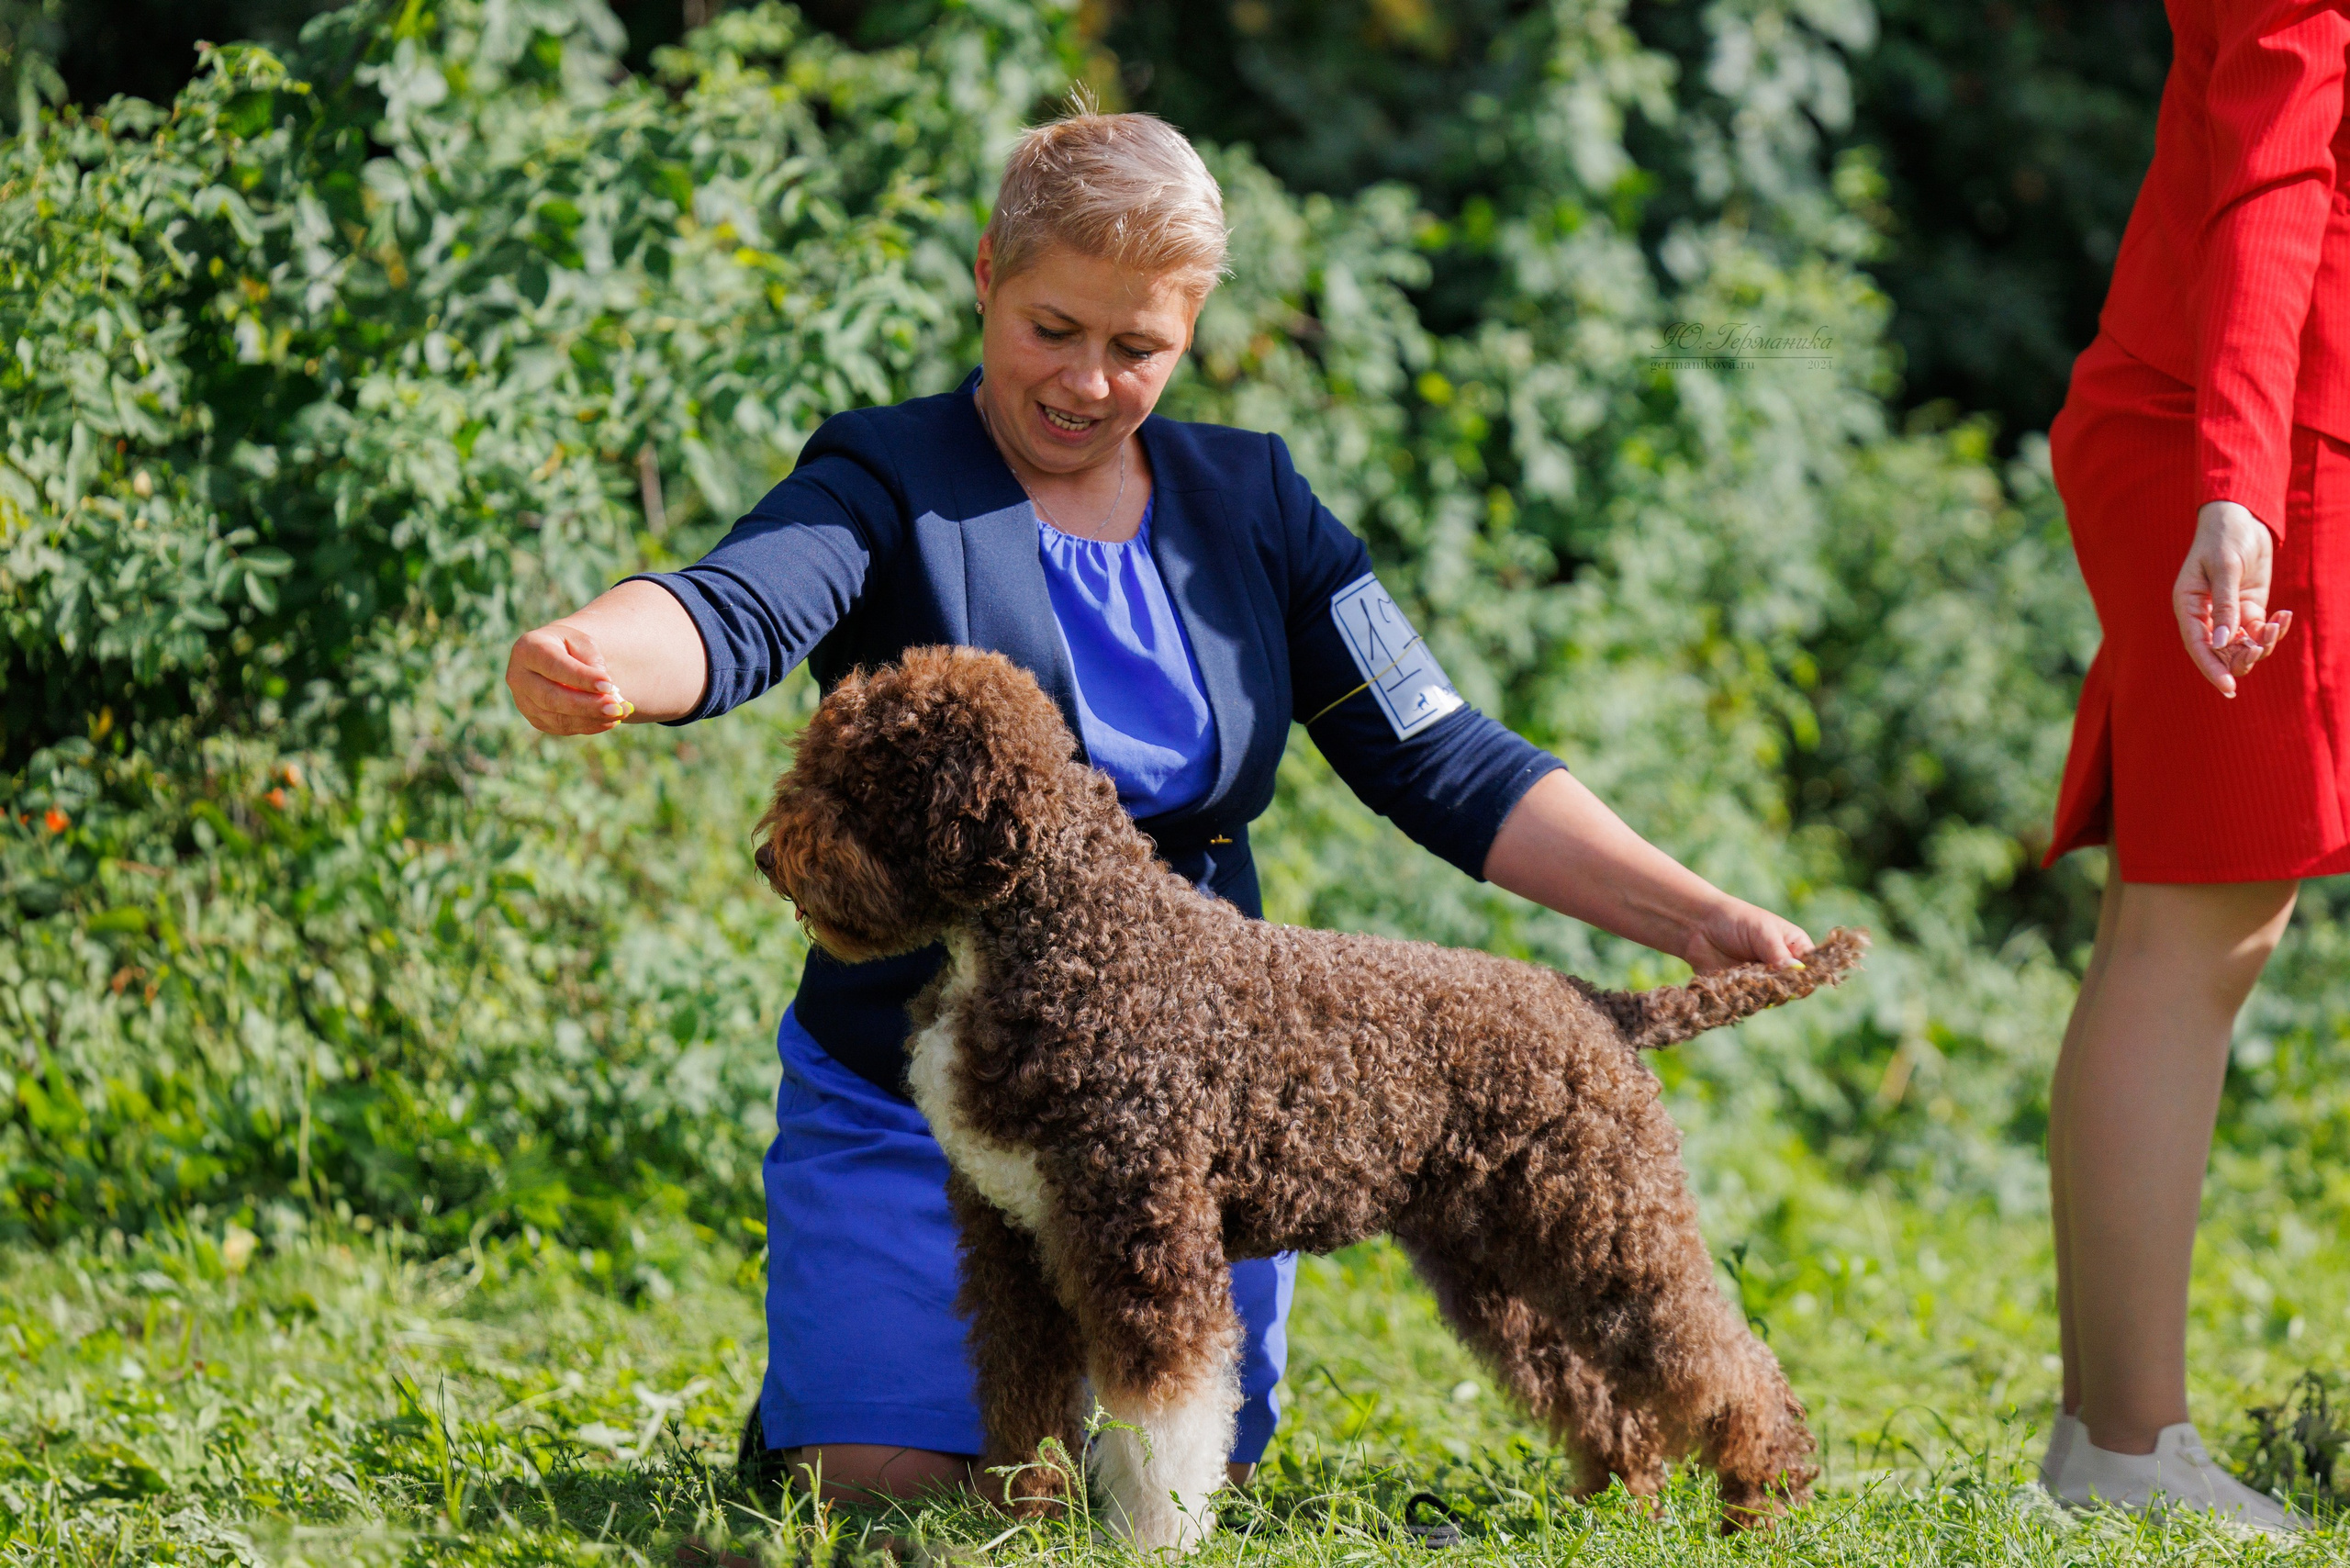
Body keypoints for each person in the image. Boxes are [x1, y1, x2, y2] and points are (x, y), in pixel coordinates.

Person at [506, 105, 1815, 1505]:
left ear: (1190, 334)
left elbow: (1440, 752)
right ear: (986, 281)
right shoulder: (891, 474)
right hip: (912, 1082)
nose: (1087, 380)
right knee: (890, 1481)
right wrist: (603, 660)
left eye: (1139, 347)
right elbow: (736, 604)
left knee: (1164, 1456)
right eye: (1052, 327)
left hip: (1180, 1085)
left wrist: (1694, 911)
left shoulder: (1256, 500)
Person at [2038, 0, 2350, 1531]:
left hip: (2258, 436)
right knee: (2197, 929)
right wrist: (2239, 488)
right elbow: (2272, 186)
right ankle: (2129, 1448)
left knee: (2185, 928)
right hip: (2240, 444)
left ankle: (2110, 1434)